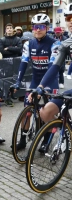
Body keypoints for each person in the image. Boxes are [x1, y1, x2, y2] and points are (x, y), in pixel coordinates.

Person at [14, 13, 61, 151]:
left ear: (47, 28)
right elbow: (23, 64)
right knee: (27, 110)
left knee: (46, 112)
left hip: (50, 81)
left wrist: (43, 87)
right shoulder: (28, 43)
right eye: (35, 27)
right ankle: (22, 140)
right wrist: (18, 81)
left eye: (41, 26)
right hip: (35, 80)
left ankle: (46, 140)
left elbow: (53, 67)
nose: (38, 29)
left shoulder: (55, 44)